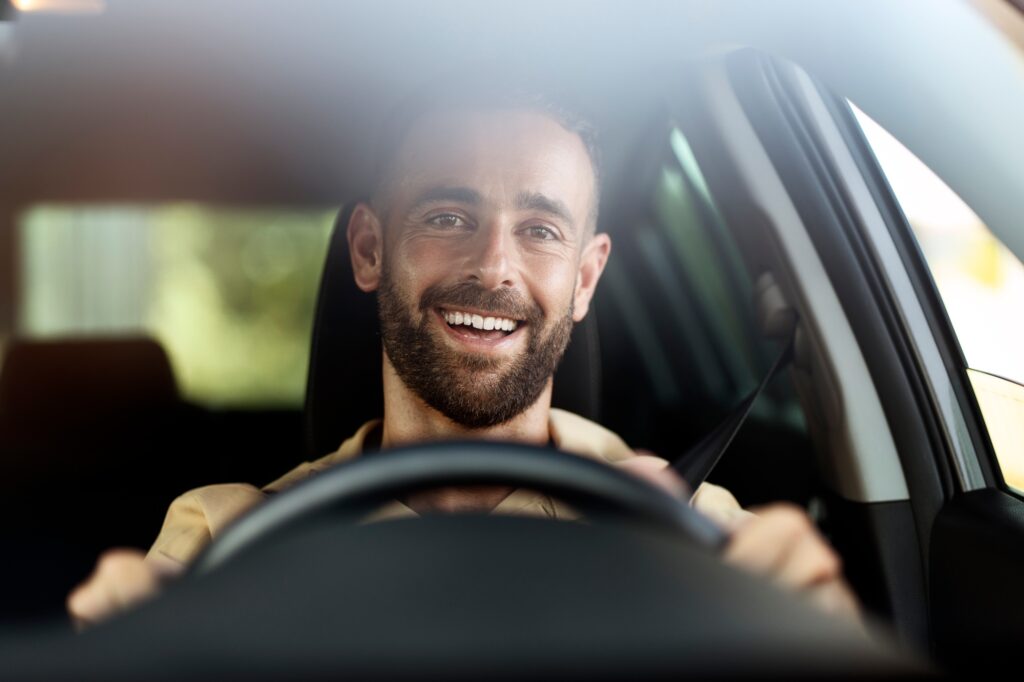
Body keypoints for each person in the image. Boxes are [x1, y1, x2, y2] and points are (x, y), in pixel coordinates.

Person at [67, 91, 860, 628]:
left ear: (585, 279)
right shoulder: (225, 539)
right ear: (372, 249)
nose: (495, 266)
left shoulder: (684, 527)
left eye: (542, 230)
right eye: (449, 215)